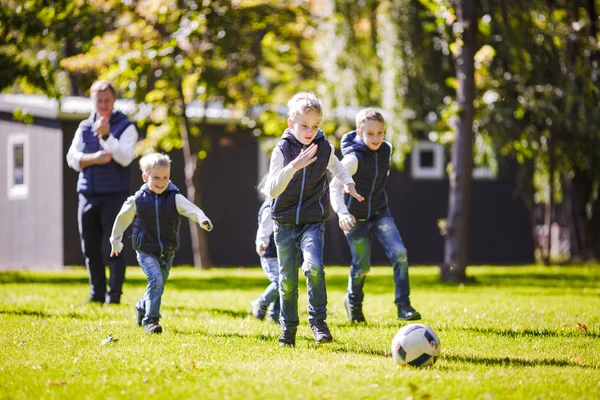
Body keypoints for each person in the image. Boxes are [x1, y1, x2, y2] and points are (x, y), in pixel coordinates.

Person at [267, 92, 364, 346]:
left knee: (314, 267)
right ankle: (288, 330)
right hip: (284, 223)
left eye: (315, 126)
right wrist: (294, 166)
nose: (310, 131)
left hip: (313, 221)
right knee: (287, 280)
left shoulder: (323, 148)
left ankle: (318, 321)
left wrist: (349, 183)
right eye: (304, 126)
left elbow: (337, 166)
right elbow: (272, 189)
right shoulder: (282, 149)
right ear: (291, 124)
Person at [330, 108, 421, 323]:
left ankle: (403, 306)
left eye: (380, 133)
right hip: (355, 220)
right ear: (359, 133)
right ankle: (353, 302)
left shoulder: (386, 150)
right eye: (370, 133)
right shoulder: (352, 160)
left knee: (400, 253)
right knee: (362, 266)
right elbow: (334, 188)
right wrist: (342, 213)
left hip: (380, 214)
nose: (376, 138)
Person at [109, 153, 213, 334]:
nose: (161, 181)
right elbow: (122, 218)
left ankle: (141, 306)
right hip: (145, 250)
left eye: (165, 177)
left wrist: (202, 219)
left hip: (167, 251)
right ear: (145, 177)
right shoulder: (138, 199)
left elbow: (192, 209)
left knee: (158, 285)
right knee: (155, 280)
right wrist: (115, 240)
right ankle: (151, 320)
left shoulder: (174, 197)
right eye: (156, 177)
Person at [66, 80, 139, 305]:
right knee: (89, 245)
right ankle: (96, 293)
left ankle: (113, 295)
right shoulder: (84, 127)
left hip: (114, 195)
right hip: (87, 194)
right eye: (99, 100)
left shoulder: (126, 126)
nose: (103, 104)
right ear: (93, 101)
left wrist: (107, 138)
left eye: (107, 100)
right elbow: (73, 159)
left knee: (113, 245)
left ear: (114, 100)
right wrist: (95, 159)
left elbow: (125, 158)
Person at [250, 177, 280, 324]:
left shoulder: (278, 206)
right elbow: (264, 229)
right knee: (280, 282)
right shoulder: (269, 208)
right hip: (270, 254)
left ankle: (275, 316)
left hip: (280, 254)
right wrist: (262, 242)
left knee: (286, 285)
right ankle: (261, 302)